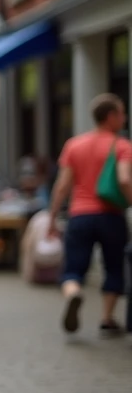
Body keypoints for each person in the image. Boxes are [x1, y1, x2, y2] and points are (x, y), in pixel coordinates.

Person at [45, 93, 132, 337]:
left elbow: (62, 186)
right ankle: (107, 318)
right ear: (111, 117)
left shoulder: (74, 144)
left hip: (79, 215)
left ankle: (73, 293)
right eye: (122, 113)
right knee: (113, 267)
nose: (124, 118)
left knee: (73, 267)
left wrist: (52, 218)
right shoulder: (122, 145)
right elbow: (125, 179)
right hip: (111, 215)